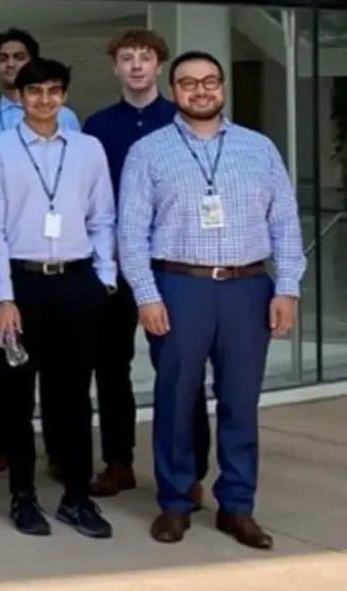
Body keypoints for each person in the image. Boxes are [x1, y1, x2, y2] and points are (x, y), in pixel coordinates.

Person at [119, 52, 304, 550]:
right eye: (187, 83)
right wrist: (147, 295)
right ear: (173, 90)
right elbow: (131, 232)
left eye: (209, 82)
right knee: (177, 399)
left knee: (240, 402)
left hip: (248, 287)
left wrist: (287, 286)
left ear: (221, 88)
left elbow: (285, 222)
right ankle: (176, 502)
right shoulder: (148, 151)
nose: (200, 91)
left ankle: (237, 506)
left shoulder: (258, 147)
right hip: (180, 286)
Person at [0, 57, 116, 539]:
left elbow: (104, 217)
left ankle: (76, 497)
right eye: (34, 91)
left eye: (54, 90)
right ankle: (23, 496)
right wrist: (3, 297)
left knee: (74, 396)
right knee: (17, 396)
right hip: (22, 285)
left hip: (78, 282)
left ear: (64, 95)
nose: (44, 99)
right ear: (19, 95)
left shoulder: (88, 148)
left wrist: (105, 278)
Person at [82, 28, 208, 501]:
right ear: (116, 67)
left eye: (146, 57)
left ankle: (189, 470)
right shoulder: (96, 126)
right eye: (127, 58)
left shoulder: (185, 120)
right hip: (114, 263)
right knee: (110, 367)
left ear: (160, 66)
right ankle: (118, 462)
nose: (136, 65)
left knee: (180, 367)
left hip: (174, 264)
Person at [0, 27, 77, 479]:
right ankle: (2, 445)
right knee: (4, 360)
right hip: (4, 257)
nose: (11, 64)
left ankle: (57, 448)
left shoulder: (70, 123)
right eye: (5, 58)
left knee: (56, 368)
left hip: (59, 257)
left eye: (20, 57)